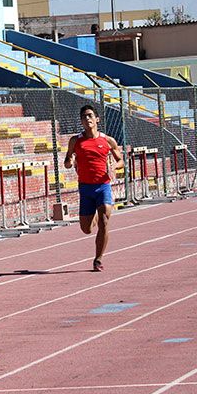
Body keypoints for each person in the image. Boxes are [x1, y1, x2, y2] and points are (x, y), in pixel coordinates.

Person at [63, 104, 124, 272]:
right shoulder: (75, 141)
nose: (87, 119)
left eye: (90, 115)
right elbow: (67, 163)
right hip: (85, 188)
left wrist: (114, 167)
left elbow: (121, 161)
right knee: (87, 229)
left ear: (97, 119)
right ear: (81, 121)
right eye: (84, 117)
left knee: (104, 220)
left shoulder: (108, 140)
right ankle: (94, 216)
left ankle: (98, 259)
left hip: (103, 185)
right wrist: (71, 160)